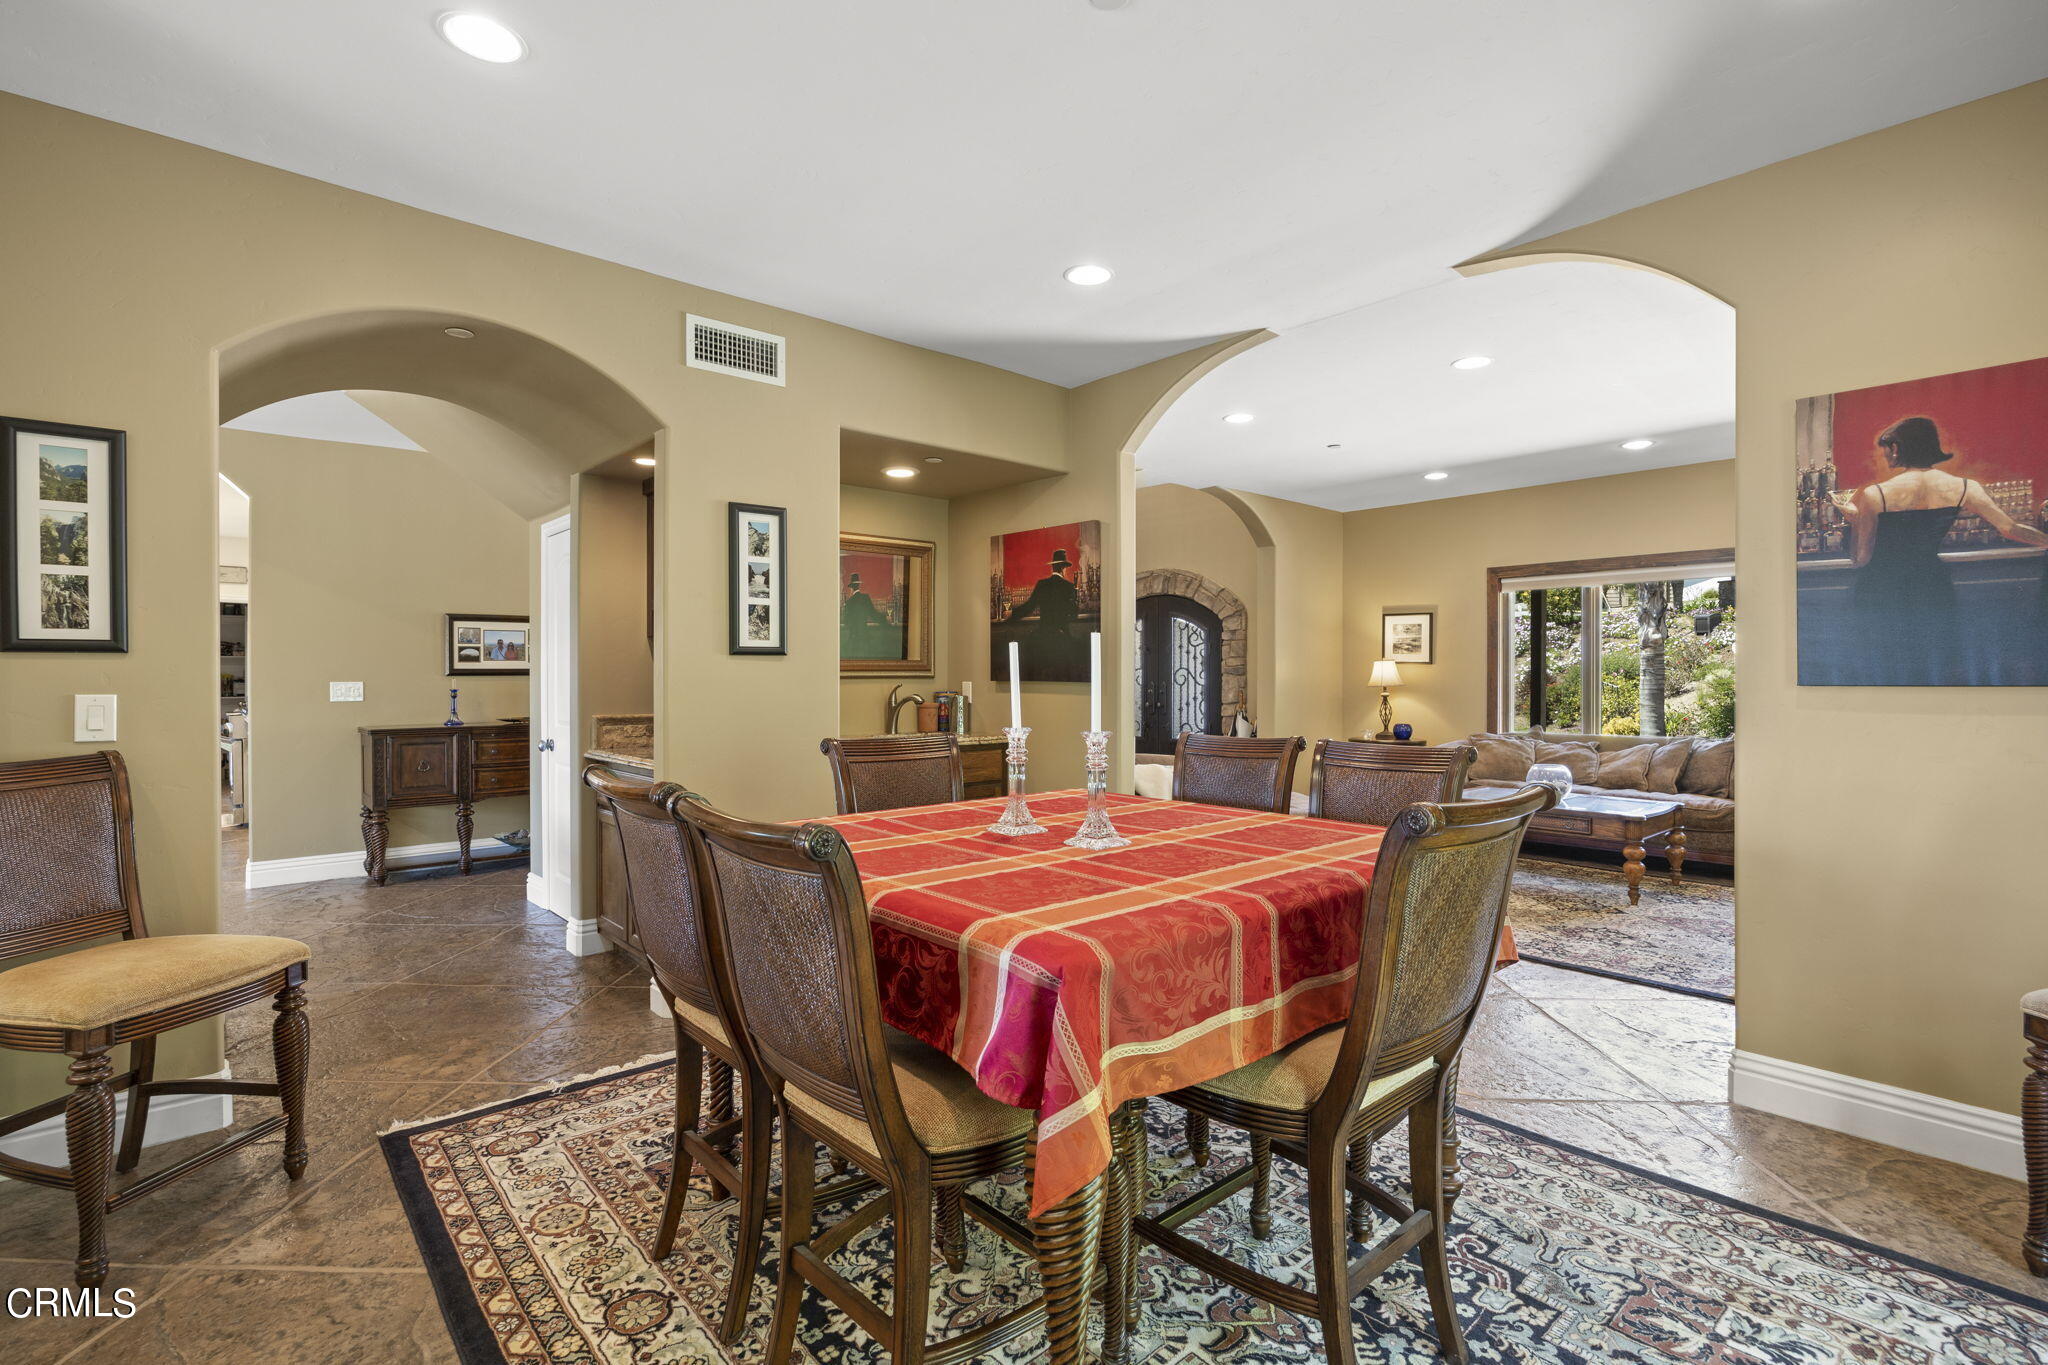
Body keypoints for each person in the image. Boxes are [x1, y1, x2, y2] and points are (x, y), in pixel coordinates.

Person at [1829, 416, 2048, 681]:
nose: (1886, 457)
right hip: (1931, 584)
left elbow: (1861, 559)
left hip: (1883, 588)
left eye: (1887, 449)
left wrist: (1855, 519)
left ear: (1897, 448)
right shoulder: (1966, 487)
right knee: (1933, 665)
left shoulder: (1876, 494)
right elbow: (2010, 528)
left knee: (1890, 669)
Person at [1005, 547, 1086, 677]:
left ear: (1053, 568)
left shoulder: (1042, 584)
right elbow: (1073, 614)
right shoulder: (1069, 587)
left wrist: (1010, 616)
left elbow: (1028, 607)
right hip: (1062, 638)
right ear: (1063, 568)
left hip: (1042, 638)